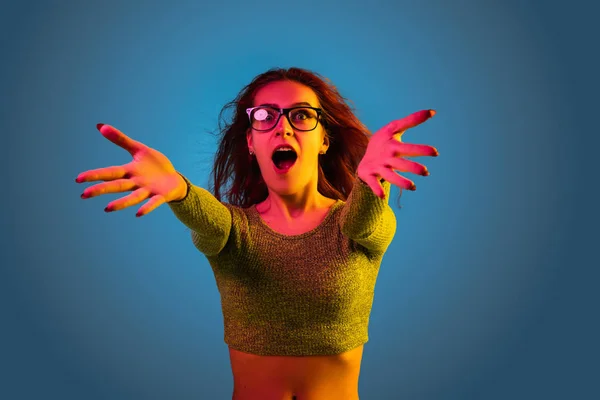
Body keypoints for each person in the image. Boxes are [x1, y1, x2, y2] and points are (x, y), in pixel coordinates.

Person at [76, 67, 438, 400]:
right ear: (250, 142)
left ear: (324, 140)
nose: (283, 127)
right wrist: (180, 190)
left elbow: (365, 221)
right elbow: (208, 219)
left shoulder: (354, 227)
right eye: (264, 116)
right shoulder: (233, 232)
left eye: (301, 115)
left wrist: (369, 182)